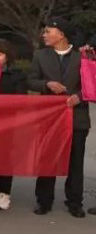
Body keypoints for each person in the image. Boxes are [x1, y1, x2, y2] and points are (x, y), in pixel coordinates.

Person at [28, 17, 88, 218]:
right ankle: (44, 201)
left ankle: (75, 202)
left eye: (48, 31)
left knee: (75, 162)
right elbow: (31, 80)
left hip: (77, 118)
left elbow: (91, 83)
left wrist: (79, 96)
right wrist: (47, 84)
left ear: (61, 34)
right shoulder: (40, 55)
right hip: (49, 118)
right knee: (48, 159)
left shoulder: (82, 57)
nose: (44, 35)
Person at [0, 39, 27, 211]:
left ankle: (4, 193)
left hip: (6, 123)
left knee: (4, 159)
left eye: (0, 54)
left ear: (7, 57)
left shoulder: (16, 75)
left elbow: (21, 100)